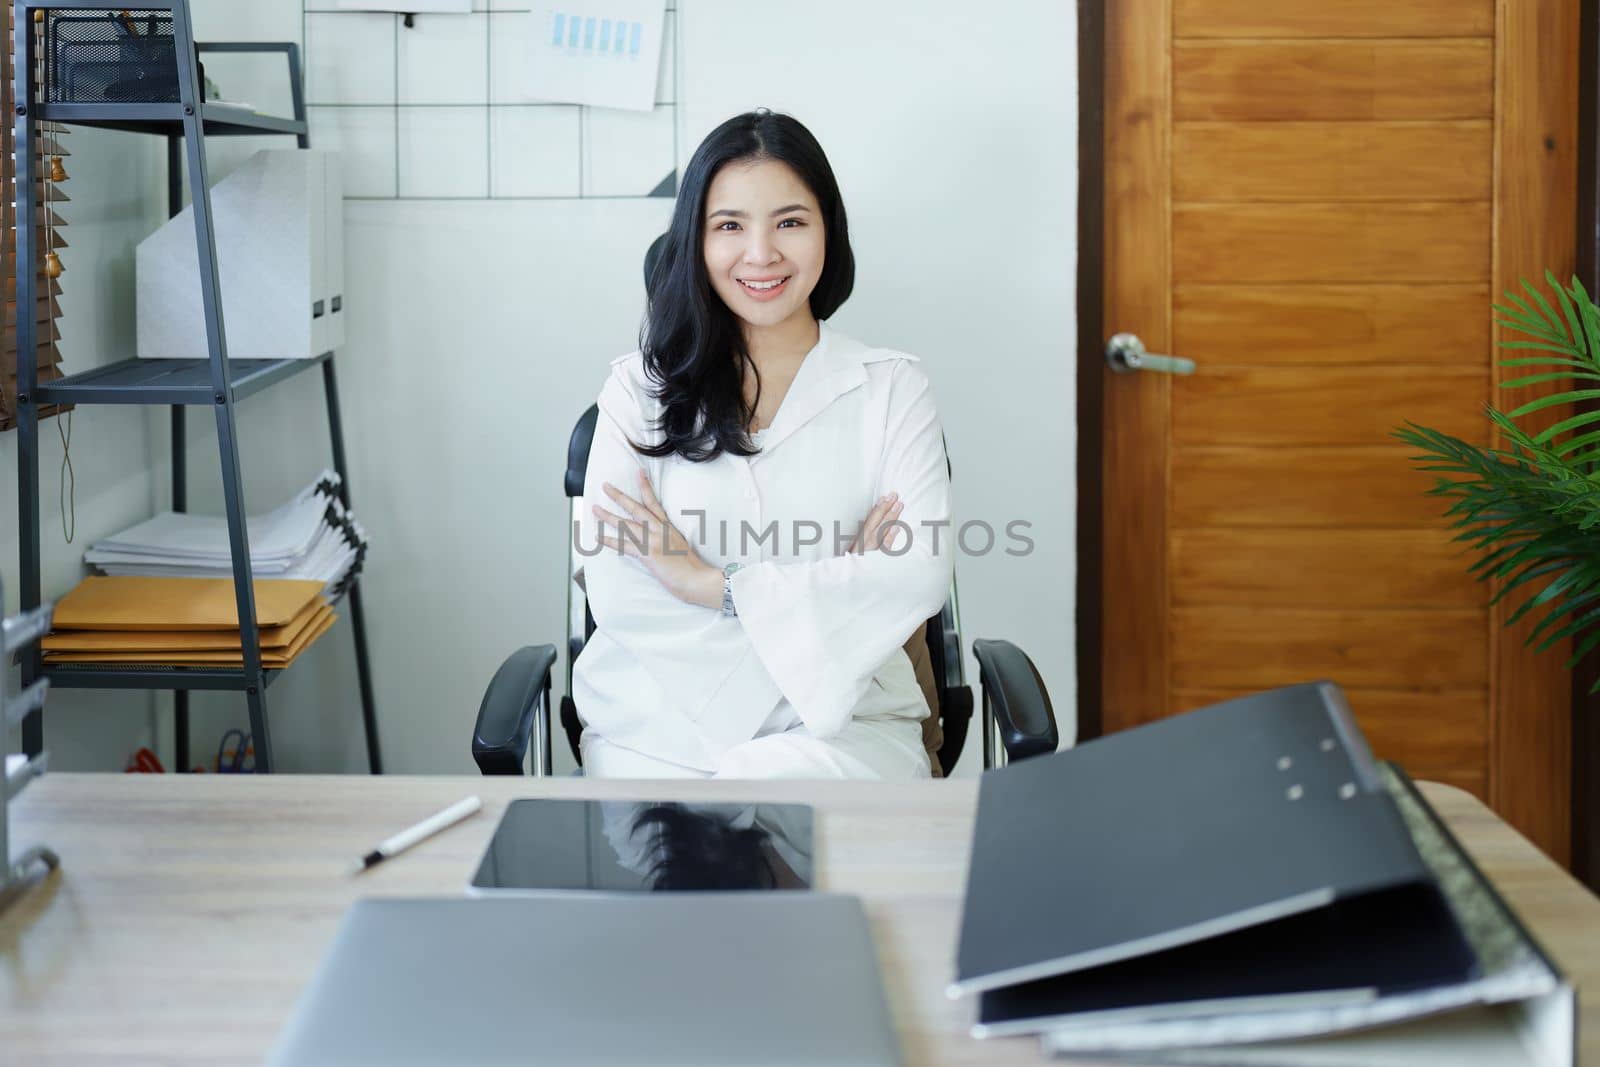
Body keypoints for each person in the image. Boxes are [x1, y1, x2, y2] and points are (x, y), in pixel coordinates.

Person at [571, 109, 953, 780]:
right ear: (696, 241)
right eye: (729, 226)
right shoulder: (637, 392)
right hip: (659, 730)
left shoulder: (892, 386)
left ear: (827, 230)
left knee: (780, 789)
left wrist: (708, 583)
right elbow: (622, 595)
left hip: (846, 727)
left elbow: (916, 573)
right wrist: (831, 591)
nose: (761, 254)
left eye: (790, 222)